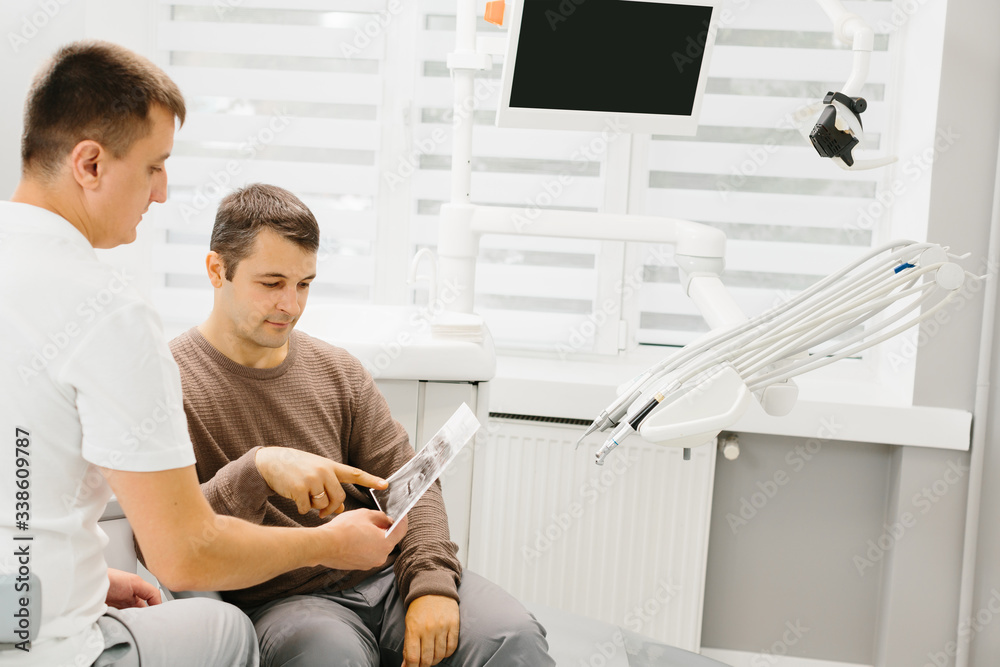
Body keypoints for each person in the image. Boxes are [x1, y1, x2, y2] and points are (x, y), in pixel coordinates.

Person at [0, 41, 403, 667]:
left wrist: (87, 581)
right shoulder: (109, 313)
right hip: (42, 646)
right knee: (224, 630)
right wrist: (325, 543)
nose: (161, 193)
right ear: (89, 164)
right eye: (154, 166)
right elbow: (185, 554)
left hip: (15, 605)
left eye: (303, 285)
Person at [166, 183, 554, 667]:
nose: (291, 304)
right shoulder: (168, 384)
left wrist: (430, 584)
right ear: (216, 270)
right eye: (271, 283)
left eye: (304, 284)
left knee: (511, 636)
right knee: (328, 657)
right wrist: (257, 470)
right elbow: (171, 537)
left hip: (388, 577)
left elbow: (414, 481)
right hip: (286, 601)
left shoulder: (337, 370)